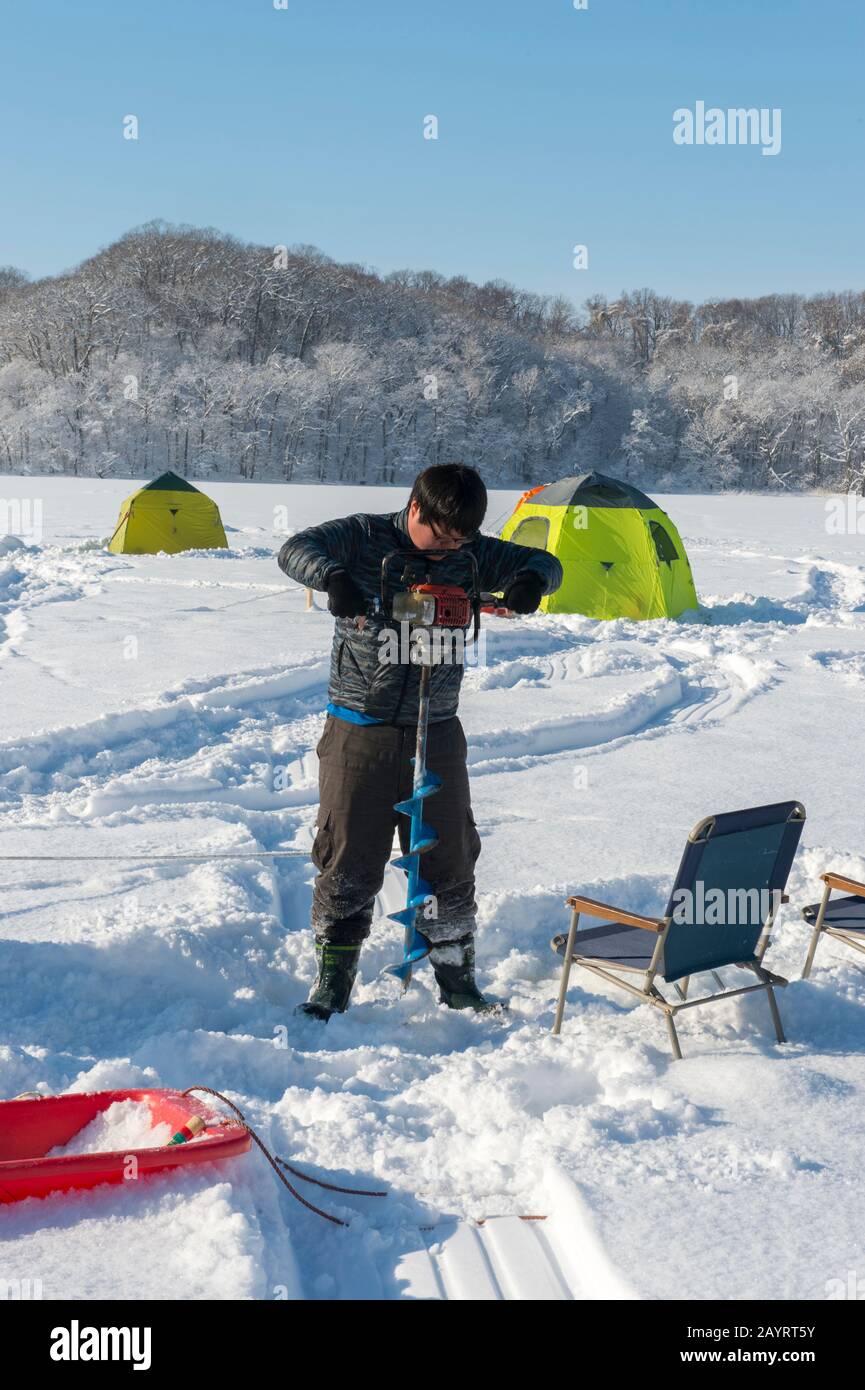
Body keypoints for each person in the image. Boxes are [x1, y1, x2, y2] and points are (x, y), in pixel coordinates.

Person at [277, 463, 563, 1020]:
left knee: (447, 856)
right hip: (361, 725)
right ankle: (332, 981)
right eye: (441, 536)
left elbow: (546, 563)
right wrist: (331, 576)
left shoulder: (473, 553)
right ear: (415, 509)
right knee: (347, 855)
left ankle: (457, 981)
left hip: (439, 732)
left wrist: (531, 581)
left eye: (460, 540)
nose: (448, 549)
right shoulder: (361, 537)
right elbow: (295, 548)